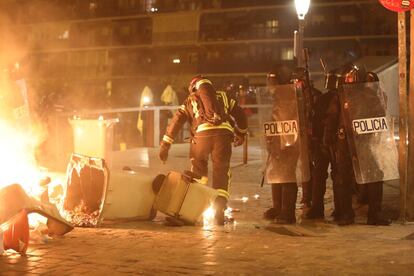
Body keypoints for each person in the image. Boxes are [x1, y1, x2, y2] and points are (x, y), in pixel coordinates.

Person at [158, 76, 247, 225]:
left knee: (199, 174)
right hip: (223, 137)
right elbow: (240, 113)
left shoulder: (190, 100)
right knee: (221, 172)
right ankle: (219, 210)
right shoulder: (224, 96)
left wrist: (165, 145)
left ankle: (192, 210)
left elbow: (176, 122)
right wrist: (242, 132)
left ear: (193, 88)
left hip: (201, 138)